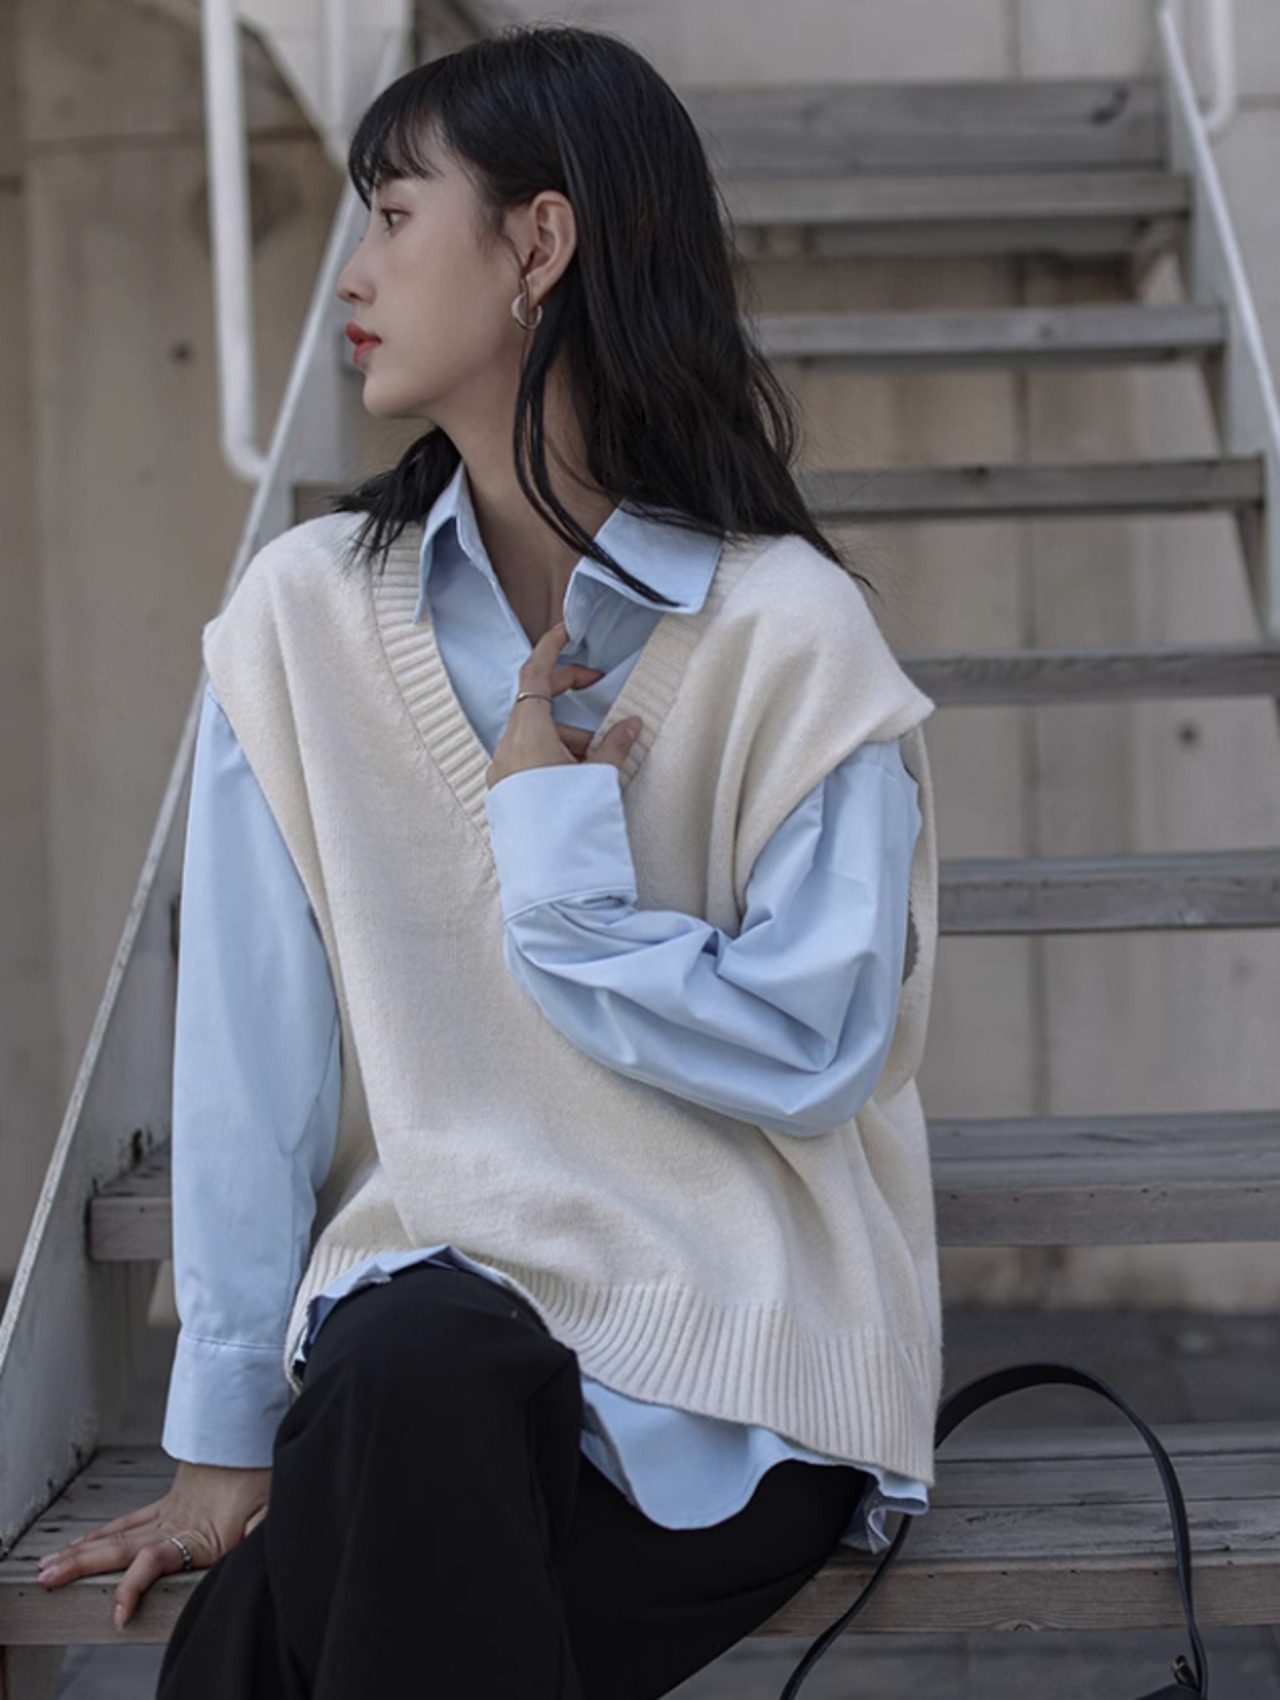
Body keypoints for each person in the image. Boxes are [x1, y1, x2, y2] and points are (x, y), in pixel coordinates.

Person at [35, 23, 942, 1698]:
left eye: (393, 216)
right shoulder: (302, 620)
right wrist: (225, 1435)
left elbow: (815, 1047)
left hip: (726, 1374)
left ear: (539, 244)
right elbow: (250, 1053)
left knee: (284, 1612)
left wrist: (562, 869)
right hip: (429, 1345)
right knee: (415, 1361)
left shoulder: (789, 635)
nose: (352, 271)